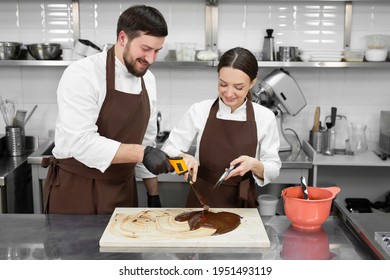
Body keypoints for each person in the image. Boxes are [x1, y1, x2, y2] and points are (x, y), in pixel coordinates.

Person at [42, 5, 173, 214]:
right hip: (77, 190)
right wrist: (142, 153)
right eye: (145, 49)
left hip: (123, 192)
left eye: (157, 51)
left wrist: (153, 195)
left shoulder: (148, 80)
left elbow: (145, 142)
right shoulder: (82, 74)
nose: (151, 59)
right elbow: (81, 142)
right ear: (123, 38)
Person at [162, 47, 281, 208]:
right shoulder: (200, 110)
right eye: (223, 84)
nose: (229, 93)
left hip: (242, 205)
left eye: (238, 87)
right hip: (201, 201)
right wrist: (182, 157)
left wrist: (254, 165)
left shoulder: (265, 117)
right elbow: (169, 148)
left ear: (252, 82)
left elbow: (273, 167)